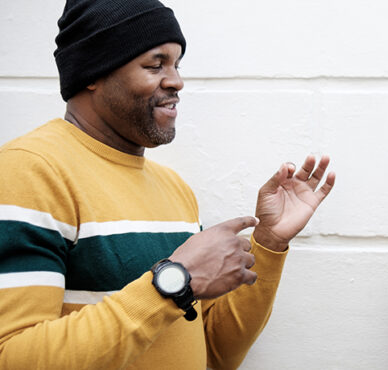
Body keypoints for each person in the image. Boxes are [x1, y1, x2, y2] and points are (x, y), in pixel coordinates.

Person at [0, 0, 335, 368]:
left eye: (177, 64)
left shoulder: (174, 187)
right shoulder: (29, 171)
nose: (176, 81)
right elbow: (13, 356)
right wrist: (174, 281)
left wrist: (269, 244)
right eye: (155, 64)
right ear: (92, 72)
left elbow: (219, 351)